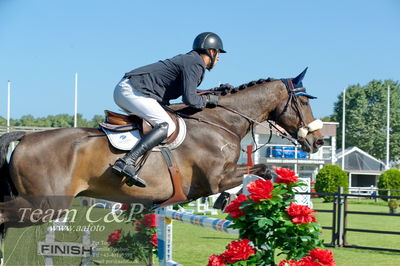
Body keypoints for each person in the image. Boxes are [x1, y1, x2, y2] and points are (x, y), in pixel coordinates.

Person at [112, 32, 226, 187]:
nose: (218, 58)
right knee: (167, 124)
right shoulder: (195, 63)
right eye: (218, 53)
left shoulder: (191, 61)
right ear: (212, 52)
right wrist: (208, 100)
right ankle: (127, 162)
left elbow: (190, 92)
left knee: (164, 121)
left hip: (133, 90)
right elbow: (190, 99)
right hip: (133, 90)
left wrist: (213, 92)